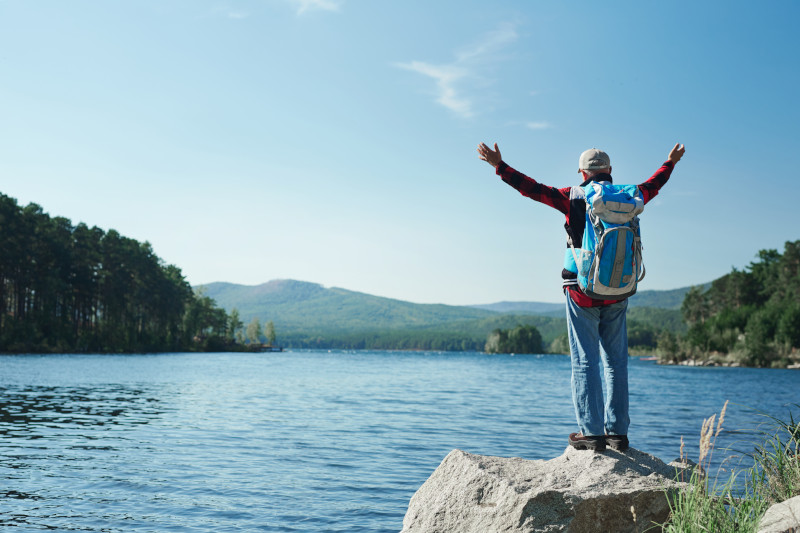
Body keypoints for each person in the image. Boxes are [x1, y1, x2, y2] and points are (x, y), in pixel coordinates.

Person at [477, 141, 685, 452]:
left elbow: (532, 189)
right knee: (616, 363)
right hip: (619, 289)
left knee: (585, 362)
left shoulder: (573, 196)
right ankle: (618, 434)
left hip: (581, 289)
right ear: (610, 172)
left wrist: (500, 166)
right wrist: (670, 162)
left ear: (582, 172)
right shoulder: (631, 194)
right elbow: (655, 184)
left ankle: (592, 434)